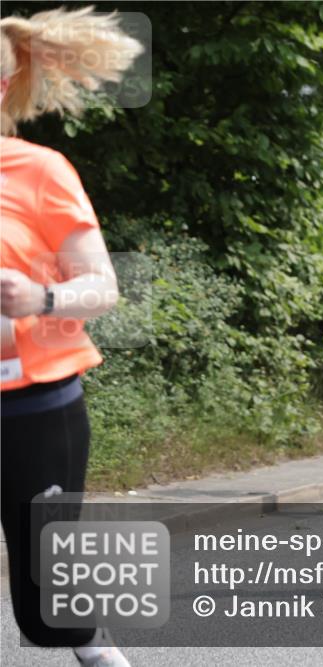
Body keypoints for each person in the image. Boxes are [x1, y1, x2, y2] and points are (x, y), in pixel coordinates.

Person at [1, 8, 141, 666]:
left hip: (33, 411)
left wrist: (42, 298)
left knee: (47, 606)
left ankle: (99, 652)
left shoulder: (40, 172)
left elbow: (102, 287)